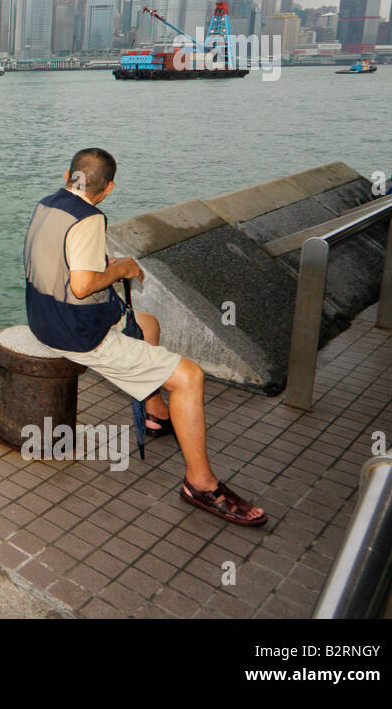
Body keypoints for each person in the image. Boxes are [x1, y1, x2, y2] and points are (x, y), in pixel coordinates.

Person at [22, 148, 267, 526]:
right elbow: (83, 285)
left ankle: (155, 414)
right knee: (190, 377)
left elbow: (59, 262)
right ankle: (200, 484)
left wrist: (105, 267)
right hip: (77, 333)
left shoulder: (48, 204)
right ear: (108, 188)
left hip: (43, 317)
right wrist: (121, 268)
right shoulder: (89, 218)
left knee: (148, 325)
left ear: (68, 174)